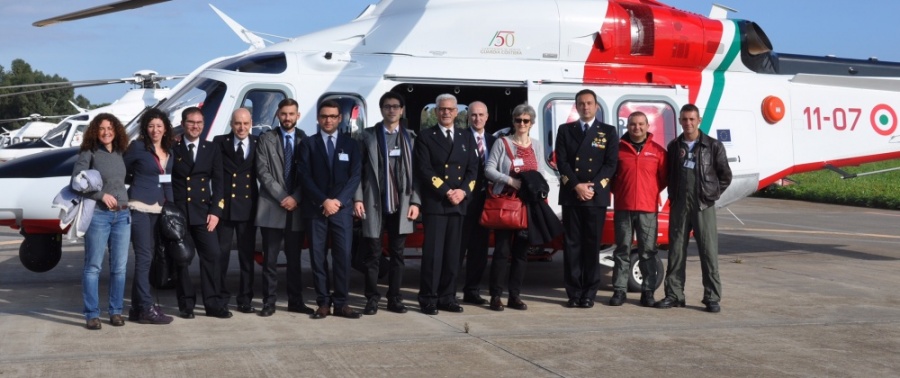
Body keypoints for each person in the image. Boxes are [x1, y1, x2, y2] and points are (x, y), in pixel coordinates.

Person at [656, 104, 732, 313]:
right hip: (679, 205)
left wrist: (710, 195)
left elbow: (725, 176)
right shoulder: (674, 147)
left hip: (703, 206)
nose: (688, 123)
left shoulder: (713, 146)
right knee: (676, 252)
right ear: (680, 121)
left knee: (708, 252)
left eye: (692, 119)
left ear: (699, 121)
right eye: (684, 119)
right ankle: (674, 294)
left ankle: (712, 297)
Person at [353, 92, 419, 315]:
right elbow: (358, 173)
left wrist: (416, 202)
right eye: (387, 106)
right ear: (381, 110)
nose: (392, 110)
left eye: (396, 106)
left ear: (401, 110)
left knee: (398, 254)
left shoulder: (411, 138)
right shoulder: (367, 137)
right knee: (373, 254)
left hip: (402, 205)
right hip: (374, 203)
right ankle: (372, 298)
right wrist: (358, 198)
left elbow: (417, 175)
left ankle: (395, 298)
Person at [413, 93, 479, 315]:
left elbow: (473, 169)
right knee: (433, 255)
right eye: (442, 109)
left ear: (457, 112)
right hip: (437, 203)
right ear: (435, 111)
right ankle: (428, 298)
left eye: (450, 109)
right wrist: (446, 190)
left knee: (453, 254)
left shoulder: (466, 137)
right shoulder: (425, 137)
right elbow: (424, 170)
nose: (446, 112)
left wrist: (463, 191)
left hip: (459, 203)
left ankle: (447, 296)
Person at [298, 99, 363, 319]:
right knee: (318, 257)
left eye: (333, 116)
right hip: (316, 210)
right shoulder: (308, 144)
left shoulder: (351, 144)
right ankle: (323, 302)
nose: (328, 120)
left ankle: (342, 303)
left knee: (343, 256)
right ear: (318, 118)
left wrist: (338, 201)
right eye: (324, 116)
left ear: (340, 118)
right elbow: (304, 177)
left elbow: (355, 177)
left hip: (341, 210)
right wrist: (324, 201)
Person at [555, 89, 619, 309]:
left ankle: (589, 293)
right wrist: (576, 186)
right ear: (576, 106)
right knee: (572, 246)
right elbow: (561, 162)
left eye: (589, 103)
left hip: (595, 196)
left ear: (596, 106)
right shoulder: (565, 130)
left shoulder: (608, 132)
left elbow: (611, 164)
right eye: (581, 103)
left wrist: (592, 187)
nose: (585, 107)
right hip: (572, 195)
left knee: (591, 246)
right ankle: (573, 293)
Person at [170, 107, 231, 319]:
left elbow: (219, 183)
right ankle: (186, 304)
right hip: (180, 214)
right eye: (191, 122)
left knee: (213, 255)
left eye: (199, 123)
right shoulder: (173, 148)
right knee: (183, 259)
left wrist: (216, 211)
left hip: (205, 213)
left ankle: (213, 304)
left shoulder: (211, 148)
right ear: (183, 123)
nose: (195, 126)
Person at [484, 104, 545, 311]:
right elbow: (489, 169)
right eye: (518, 120)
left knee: (521, 253)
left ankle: (514, 295)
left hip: (527, 206)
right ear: (513, 121)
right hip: (507, 203)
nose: (521, 124)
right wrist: (510, 181)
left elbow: (541, 172)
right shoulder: (503, 143)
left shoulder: (536, 145)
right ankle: (495, 295)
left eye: (526, 121)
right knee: (502, 251)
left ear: (532, 123)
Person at [255, 98, 312, 317]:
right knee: (269, 260)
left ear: (298, 115)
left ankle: (295, 301)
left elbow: (308, 173)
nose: (287, 117)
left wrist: (295, 197)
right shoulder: (266, 139)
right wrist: (283, 197)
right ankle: (269, 302)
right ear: (278, 115)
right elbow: (263, 173)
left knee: (294, 260)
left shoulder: (305, 140)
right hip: (272, 207)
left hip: (296, 209)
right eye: (283, 114)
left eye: (291, 114)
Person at [73, 113, 131, 330]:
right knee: (93, 267)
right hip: (99, 215)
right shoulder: (89, 152)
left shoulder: (120, 152)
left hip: (123, 215)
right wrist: (100, 196)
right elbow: (77, 181)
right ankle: (92, 313)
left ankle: (116, 311)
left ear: (116, 130)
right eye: (101, 128)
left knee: (119, 268)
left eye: (110, 128)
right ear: (95, 132)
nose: (106, 132)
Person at [610, 111, 667, 307]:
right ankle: (619, 290)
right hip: (623, 207)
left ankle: (648, 292)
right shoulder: (617, 150)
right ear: (627, 126)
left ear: (647, 125)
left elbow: (663, 179)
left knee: (647, 252)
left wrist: (649, 191)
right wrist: (621, 192)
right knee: (622, 250)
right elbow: (610, 178)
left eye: (641, 124)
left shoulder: (658, 152)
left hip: (647, 209)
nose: (637, 128)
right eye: (633, 124)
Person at [124, 109, 175, 325]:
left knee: (151, 257)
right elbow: (123, 171)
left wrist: (171, 207)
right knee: (144, 258)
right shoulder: (137, 147)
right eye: (151, 125)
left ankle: (137, 310)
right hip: (139, 206)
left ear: (165, 128)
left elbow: (167, 180)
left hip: (159, 208)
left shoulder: (168, 149)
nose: (155, 130)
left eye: (159, 126)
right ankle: (146, 307)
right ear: (146, 127)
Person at [213, 108, 258, 314]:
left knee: (246, 258)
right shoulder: (219, 142)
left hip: (248, 209)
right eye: (238, 123)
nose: (242, 128)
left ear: (251, 124)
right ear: (231, 124)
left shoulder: (258, 143)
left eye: (246, 124)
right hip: (225, 208)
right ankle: (220, 297)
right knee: (220, 256)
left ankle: (245, 298)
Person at [459, 101, 495, 306]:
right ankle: (447, 291)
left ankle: (472, 291)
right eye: (473, 115)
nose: (477, 119)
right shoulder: (460, 138)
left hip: (485, 202)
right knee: (457, 249)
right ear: (468, 117)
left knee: (479, 251)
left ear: (487, 117)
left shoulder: (494, 140)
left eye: (481, 115)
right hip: (464, 202)